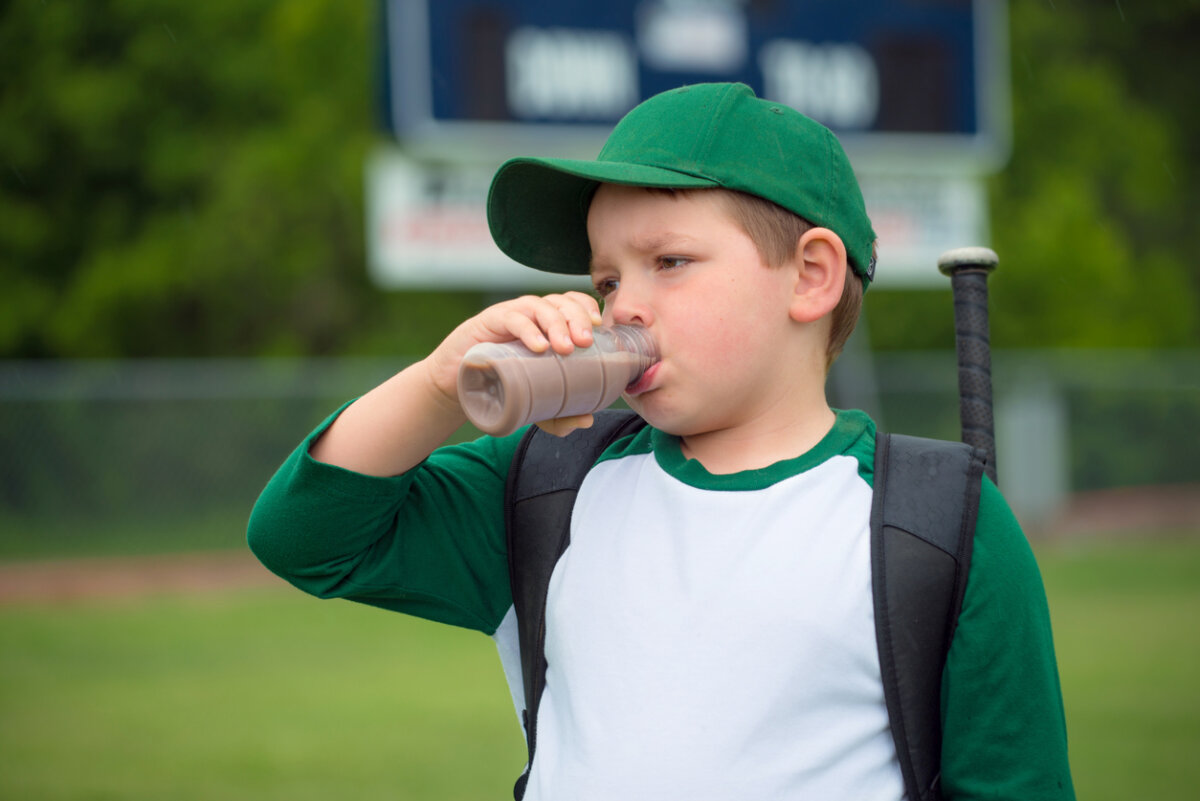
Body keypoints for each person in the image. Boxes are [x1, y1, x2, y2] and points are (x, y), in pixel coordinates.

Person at [248, 82, 1074, 800]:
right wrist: (440, 382)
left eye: (669, 262)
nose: (621, 306)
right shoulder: (550, 482)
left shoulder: (932, 522)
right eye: (607, 278)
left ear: (811, 276)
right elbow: (306, 536)